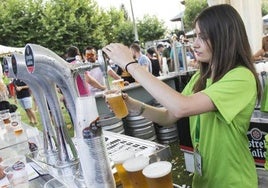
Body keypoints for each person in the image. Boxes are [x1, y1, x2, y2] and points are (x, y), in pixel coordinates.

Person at [103, 4, 261, 188]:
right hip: (204, 181)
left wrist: (130, 65)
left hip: (234, 182)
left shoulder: (241, 77)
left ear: (225, 37)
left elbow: (182, 106)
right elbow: (169, 116)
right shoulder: (200, 77)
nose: (194, 44)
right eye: (196, 36)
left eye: (203, 37)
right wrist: (133, 105)